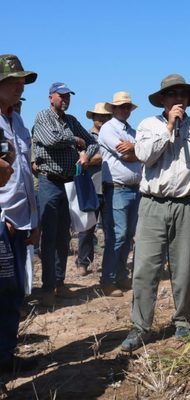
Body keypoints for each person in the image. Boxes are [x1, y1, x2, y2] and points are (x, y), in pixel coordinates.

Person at [120, 74, 190, 352]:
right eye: (172, 95)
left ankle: (182, 320)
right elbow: (145, 155)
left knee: (186, 267)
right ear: (162, 100)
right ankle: (140, 326)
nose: (177, 99)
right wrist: (169, 126)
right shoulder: (148, 125)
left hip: (188, 205)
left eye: (182, 95)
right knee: (145, 268)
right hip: (152, 205)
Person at [32, 82, 99, 307]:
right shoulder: (43, 116)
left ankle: (59, 283)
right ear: (51, 97)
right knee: (49, 236)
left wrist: (85, 156)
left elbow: (93, 143)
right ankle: (48, 287)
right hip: (49, 181)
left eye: (68, 96)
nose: (65, 100)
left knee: (63, 236)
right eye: (61, 96)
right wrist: (75, 141)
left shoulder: (71, 120)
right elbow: (50, 140)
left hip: (68, 182)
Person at [0, 54, 38, 373]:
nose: (19, 86)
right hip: (3, 220)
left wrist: (32, 220)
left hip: (20, 219)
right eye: (12, 81)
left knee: (14, 291)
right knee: (3, 289)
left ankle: (6, 356)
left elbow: (25, 174)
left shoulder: (18, 121)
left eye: (21, 81)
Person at [98, 92, 141, 297]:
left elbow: (139, 153)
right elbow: (126, 154)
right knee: (118, 234)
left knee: (128, 235)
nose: (124, 110)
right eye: (121, 106)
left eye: (127, 107)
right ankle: (108, 279)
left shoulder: (131, 131)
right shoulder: (108, 128)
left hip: (134, 188)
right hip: (116, 188)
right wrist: (138, 151)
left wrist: (136, 150)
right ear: (113, 109)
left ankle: (121, 274)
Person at [76, 102, 111, 276]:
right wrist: (101, 156)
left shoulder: (112, 133)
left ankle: (109, 264)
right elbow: (82, 159)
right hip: (91, 186)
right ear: (94, 118)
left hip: (109, 186)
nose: (103, 119)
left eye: (106, 117)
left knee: (109, 228)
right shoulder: (86, 136)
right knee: (87, 227)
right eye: (100, 117)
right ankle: (83, 262)